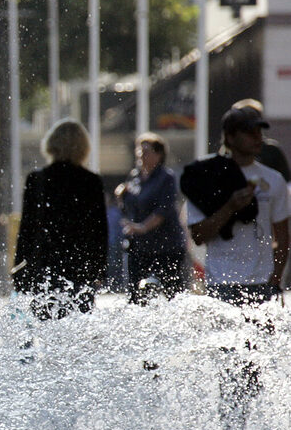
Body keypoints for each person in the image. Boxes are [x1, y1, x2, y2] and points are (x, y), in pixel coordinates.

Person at [184, 105, 289, 307]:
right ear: (230, 138)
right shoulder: (205, 178)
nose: (257, 137)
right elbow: (198, 236)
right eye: (249, 132)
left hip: (261, 282)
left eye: (259, 131)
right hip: (221, 281)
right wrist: (230, 207)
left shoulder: (274, 180)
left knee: (261, 339)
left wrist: (275, 280)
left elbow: (283, 237)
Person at [12, 119, 108, 319]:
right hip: (80, 270)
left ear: (51, 144)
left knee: (46, 328)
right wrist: (99, 271)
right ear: (83, 147)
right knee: (76, 331)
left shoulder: (37, 180)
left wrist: (19, 266)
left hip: (44, 268)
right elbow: (99, 231)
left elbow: (27, 229)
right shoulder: (90, 182)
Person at [115, 133, 189, 303]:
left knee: (173, 293)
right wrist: (121, 196)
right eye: (139, 150)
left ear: (159, 154)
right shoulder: (134, 177)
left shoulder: (166, 178)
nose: (141, 155)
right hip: (139, 246)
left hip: (165, 246)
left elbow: (163, 210)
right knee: (135, 296)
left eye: (146, 151)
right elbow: (128, 208)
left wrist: (142, 227)